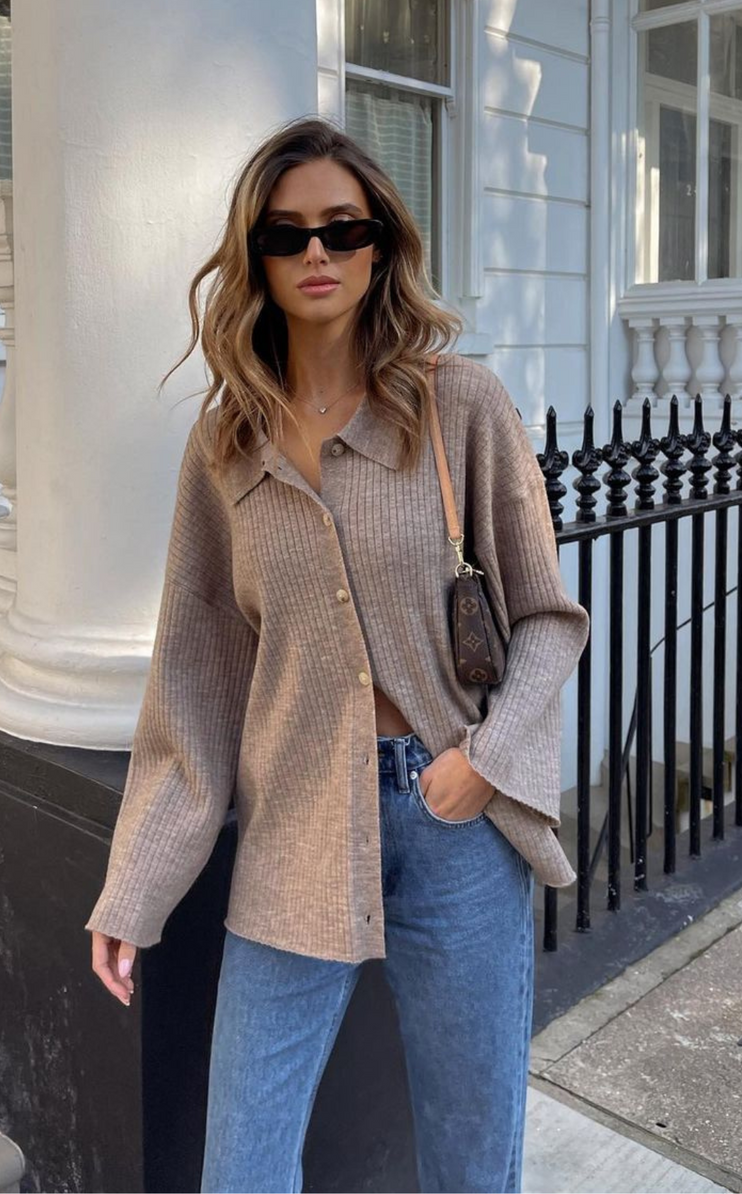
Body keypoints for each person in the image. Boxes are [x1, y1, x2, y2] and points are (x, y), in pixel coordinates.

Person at [85, 115, 590, 1193]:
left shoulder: (461, 405)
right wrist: (135, 890)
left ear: (377, 245)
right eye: (285, 234)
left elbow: (548, 619)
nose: (316, 253)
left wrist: (481, 765)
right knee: (243, 1164)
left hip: (457, 823)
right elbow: (194, 687)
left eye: (341, 228)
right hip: (296, 823)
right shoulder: (225, 446)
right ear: (254, 257)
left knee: (469, 1154)